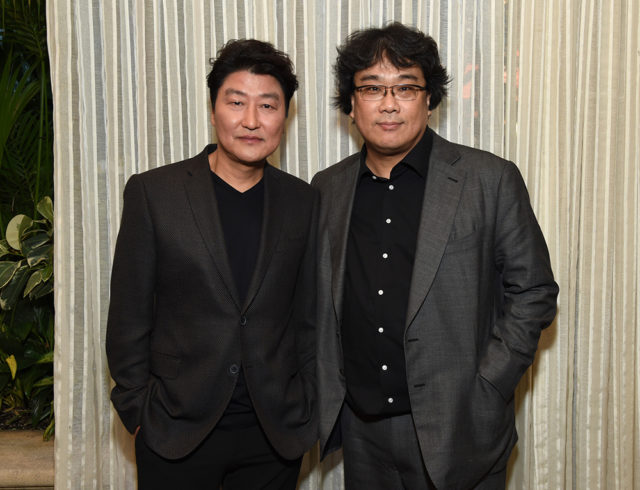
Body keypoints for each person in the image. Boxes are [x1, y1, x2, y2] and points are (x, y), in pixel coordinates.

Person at [311, 22, 559, 489]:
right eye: (371, 88)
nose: (388, 104)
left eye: (406, 87)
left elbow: (534, 290)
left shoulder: (488, 179)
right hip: (362, 432)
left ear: (429, 99)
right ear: (351, 103)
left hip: (460, 425)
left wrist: (489, 383)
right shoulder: (327, 188)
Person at [106, 39, 317, 489]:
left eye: (268, 105)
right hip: (175, 428)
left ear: (285, 115)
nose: (251, 120)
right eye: (236, 102)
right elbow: (128, 316)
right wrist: (138, 411)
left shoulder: (303, 201)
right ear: (214, 108)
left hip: (273, 434)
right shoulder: (154, 194)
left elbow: (309, 317)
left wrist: (308, 405)